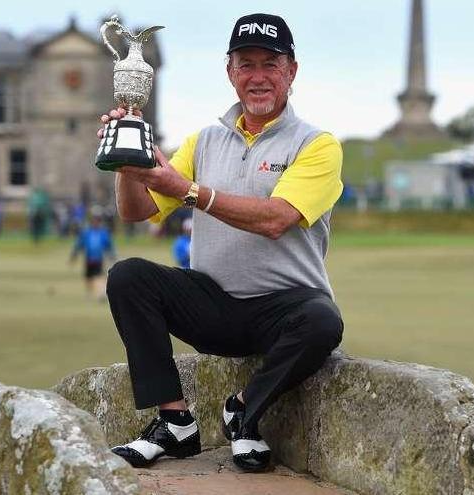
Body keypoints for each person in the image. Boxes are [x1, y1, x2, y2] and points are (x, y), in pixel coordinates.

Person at [101, 13, 344, 473]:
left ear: (291, 71)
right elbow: (137, 212)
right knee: (129, 276)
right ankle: (174, 423)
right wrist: (127, 164)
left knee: (322, 319)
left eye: (270, 64)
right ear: (229, 72)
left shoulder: (317, 144)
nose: (257, 77)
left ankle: (243, 413)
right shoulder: (203, 140)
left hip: (282, 309)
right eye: (245, 64)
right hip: (212, 305)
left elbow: (278, 219)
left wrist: (188, 191)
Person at [70, 207, 116, 298]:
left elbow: (109, 245)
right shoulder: (86, 233)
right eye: (94, 220)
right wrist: (74, 254)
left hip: (98, 259)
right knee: (88, 277)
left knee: (98, 276)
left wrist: (112, 255)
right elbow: (79, 244)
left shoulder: (103, 233)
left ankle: (101, 293)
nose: (95, 222)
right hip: (88, 258)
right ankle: (90, 294)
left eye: (97, 220)